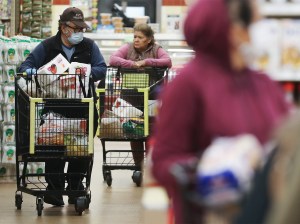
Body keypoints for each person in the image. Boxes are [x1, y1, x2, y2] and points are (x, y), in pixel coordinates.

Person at [150, 0, 291, 223]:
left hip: (268, 209)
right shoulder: (188, 84)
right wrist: (212, 167)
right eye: (255, 22)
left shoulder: (263, 83)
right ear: (232, 28)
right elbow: (164, 162)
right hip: (214, 214)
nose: (263, 27)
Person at [18, 7, 107, 206]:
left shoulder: (89, 46)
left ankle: (75, 187)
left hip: (82, 109)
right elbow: (25, 67)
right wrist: (39, 73)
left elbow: (102, 69)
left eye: (81, 28)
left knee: (80, 150)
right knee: (53, 148)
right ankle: (54, 189)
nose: (79, 32)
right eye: (75, 28)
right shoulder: (47, 46)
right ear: (63, 27)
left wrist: (83, 73)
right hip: (55, 109)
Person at [109, 23, 172, 168]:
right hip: (131, 97)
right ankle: (138, 165)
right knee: (134, 131)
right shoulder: (128, 47)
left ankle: (149, 165)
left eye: (140, 37)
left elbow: (167, 61)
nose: (136, 40)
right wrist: (132, 64)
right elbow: (113, 59)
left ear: (149, 39)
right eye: (134, 37)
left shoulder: (157, 49)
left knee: (150, 130)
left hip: (152, 97)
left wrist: (147, 62)